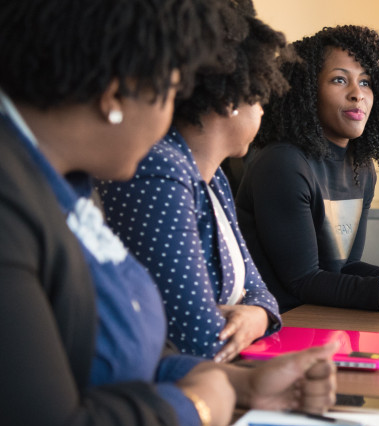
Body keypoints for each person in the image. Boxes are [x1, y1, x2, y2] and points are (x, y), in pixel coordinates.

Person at [0, 1, 336, 426]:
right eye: (170, 95)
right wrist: (197, 407)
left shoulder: (61, 186)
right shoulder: (13, 201)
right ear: (115, 95)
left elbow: (122, 348)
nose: (171, 122)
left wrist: (241, 385)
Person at [235, 25, 379, 313]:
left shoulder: (361, 168)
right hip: (280, 325)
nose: (357, 94)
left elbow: (345, 267)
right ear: (307, 91)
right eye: (339, 80)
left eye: (366, 82)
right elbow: (302, 281)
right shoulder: (283, 164)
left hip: (324, 317)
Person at [98, 3, 289, 363]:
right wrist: (248, 319)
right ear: (230, 97)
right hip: (189, 381)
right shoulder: (159, 168)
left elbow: (260, 290)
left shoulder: (213, 175)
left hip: (223, 372)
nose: (263, 111)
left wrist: (257, 316)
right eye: (259, 98)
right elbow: (198, 338)